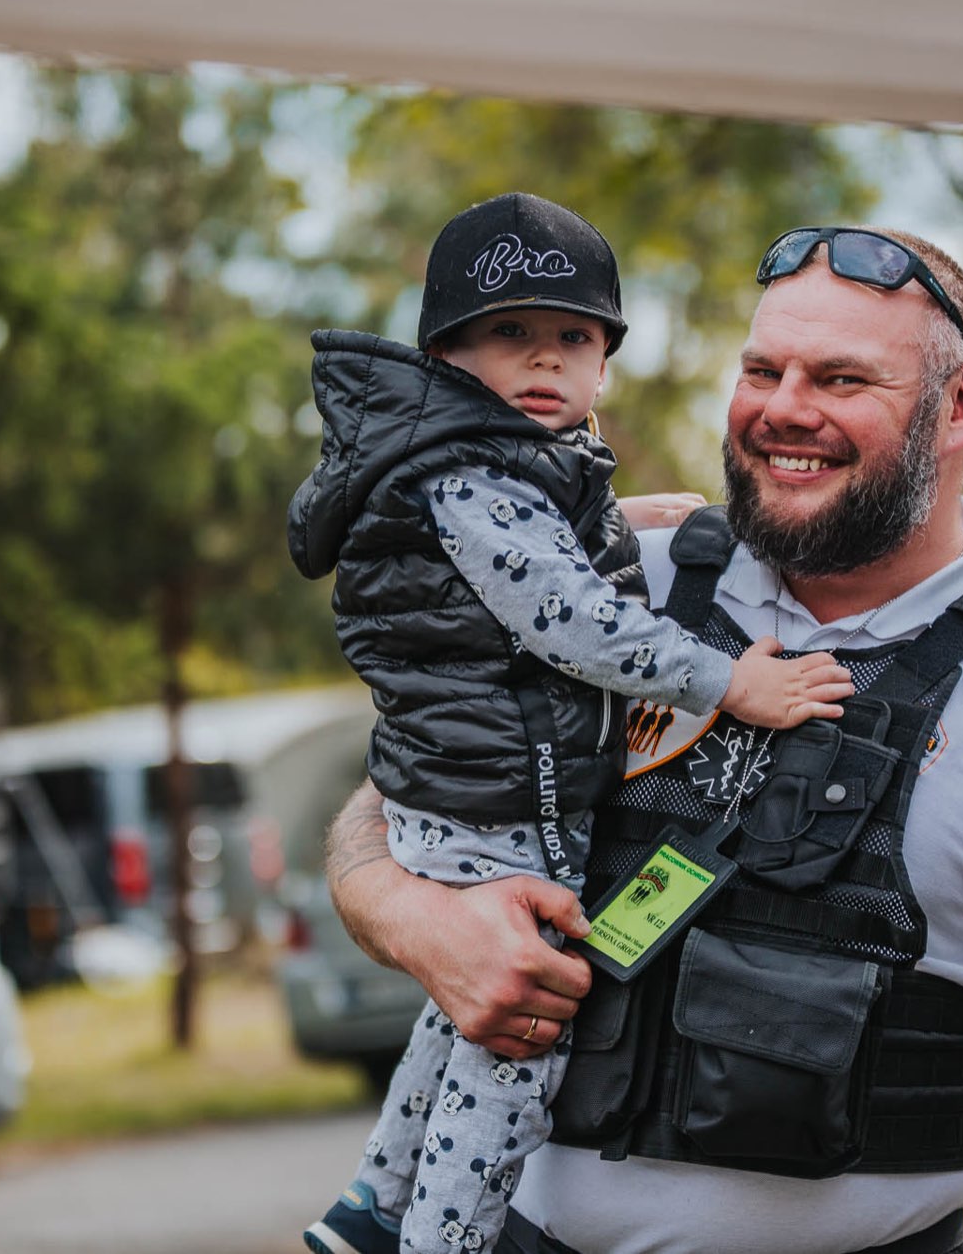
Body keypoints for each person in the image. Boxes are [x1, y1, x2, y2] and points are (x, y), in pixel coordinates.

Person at [322, 225, 963, 1254]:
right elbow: (399, 791)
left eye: (841, 379)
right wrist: (410, 916)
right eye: (764, 369)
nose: (785, 408)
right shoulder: (612, 585)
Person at [288, 193, 855, 1254]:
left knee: (463, 1006)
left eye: (573, 337)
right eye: (510, 334)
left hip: (461, 777)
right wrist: (732, 683)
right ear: (448, 356)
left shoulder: (488, 462)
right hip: (494, 793)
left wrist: (633, 515)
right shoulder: (466, 478)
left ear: (603, 363)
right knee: (522, 1034)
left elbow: (538, 540)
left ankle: (372, 1205)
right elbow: (568, 620)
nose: (544, 360)